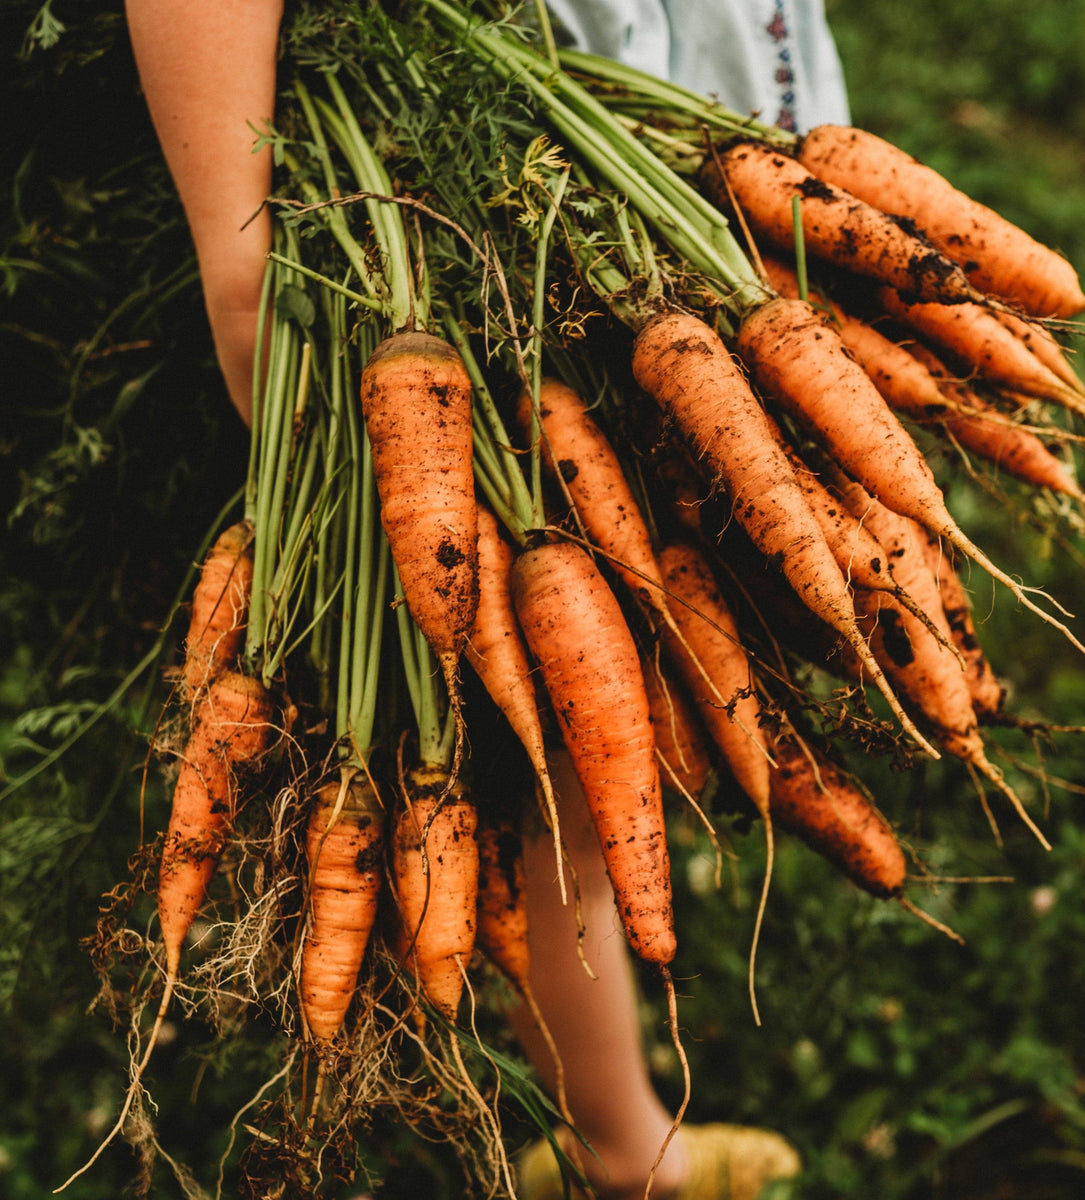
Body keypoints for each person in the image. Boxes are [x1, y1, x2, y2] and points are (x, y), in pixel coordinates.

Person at [124, 3, 851, 1196]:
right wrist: (241, 269)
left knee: (614, 660)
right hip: (496, 254)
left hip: (664, 154)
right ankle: (622, 1147)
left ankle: (616, 1094)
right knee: (551, 742)